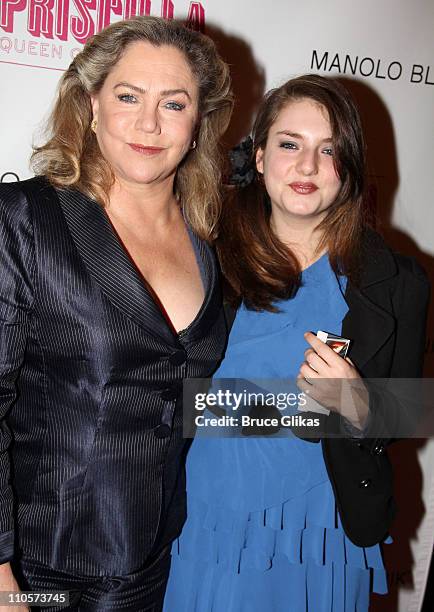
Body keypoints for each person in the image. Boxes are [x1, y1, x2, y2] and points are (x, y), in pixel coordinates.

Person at [164, 75, 430, 611]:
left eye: (328, 150)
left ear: (349, 167)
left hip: (325, 532)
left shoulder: (399, 282)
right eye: (290, 144)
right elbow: (170, 401)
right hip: (212, 523)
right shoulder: (200, 260)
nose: (307, 167)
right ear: (259, 157)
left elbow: (404, 418)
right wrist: (307, 410)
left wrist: (355, 401)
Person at [0, 16, 233, 611]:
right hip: (45, 574)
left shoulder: (209, 243)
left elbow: (193, 401)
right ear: (91, 105)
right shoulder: (26, 219)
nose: (149, 123)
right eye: (128, 96)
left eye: (173, 103)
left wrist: (350, 407)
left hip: (161, 564)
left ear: (198, 122)